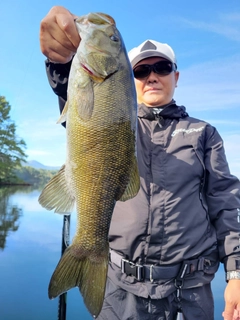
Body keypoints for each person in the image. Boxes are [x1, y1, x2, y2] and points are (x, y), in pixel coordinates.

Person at [40, 6, 240, 320]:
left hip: (188, 295)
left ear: (176, 76)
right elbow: (79, 105)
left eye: (161, 67)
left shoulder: (204, 134)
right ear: (129, 79)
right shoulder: (122, 122)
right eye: (140, 71)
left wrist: (235, 275)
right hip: (119, 291)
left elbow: (226, 205)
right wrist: (60, 62)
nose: (152, 76)